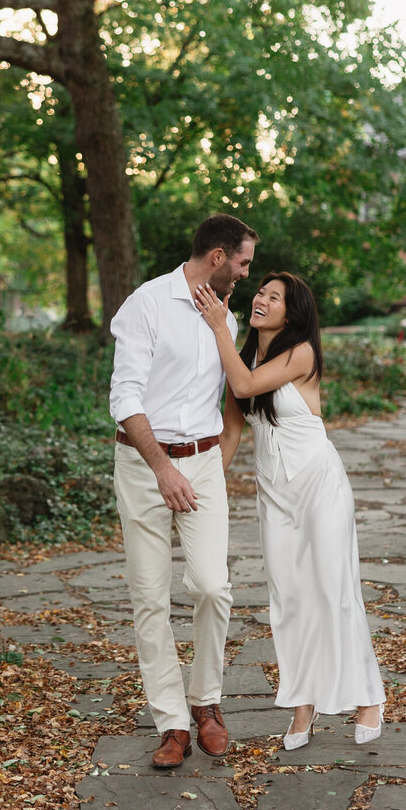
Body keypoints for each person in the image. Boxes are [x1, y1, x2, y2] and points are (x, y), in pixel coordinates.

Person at [195, 271, 386, 750]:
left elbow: (245, 384)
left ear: (291, 311)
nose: (261, 299)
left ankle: (368, 698)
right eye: (259, 291)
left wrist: (219, 325)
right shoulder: (241, 359)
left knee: (334, 590)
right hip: (274, 494)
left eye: (273, 296)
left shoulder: (301, 354)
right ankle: (303, 705)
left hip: (320, 484)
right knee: (288, 601)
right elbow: (231, 434)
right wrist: (204, 486)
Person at [109, 214, 258, 769]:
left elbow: (232, 391)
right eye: (242, 262)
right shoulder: (145, 304)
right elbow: (124, 396)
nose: (246, 273)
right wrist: (163, 469)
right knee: (149, 597)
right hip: (144, 464)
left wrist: (212, 463)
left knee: (212, 587)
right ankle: (171, 722)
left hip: (202, 465)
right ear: (217, 257)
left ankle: (207, 701)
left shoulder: (225, 315)